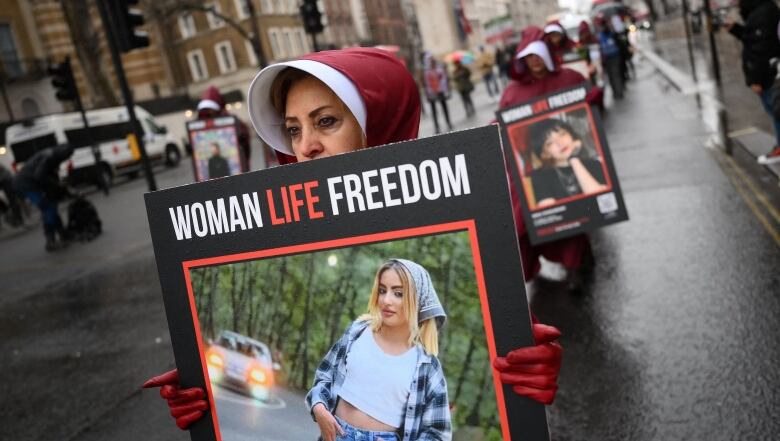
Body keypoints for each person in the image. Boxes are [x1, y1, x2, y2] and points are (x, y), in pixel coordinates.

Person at [143, 47, 562, 430]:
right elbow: (323, 384)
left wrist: (522, 367)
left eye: (325, 121)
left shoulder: (458, 219)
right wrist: (199, 379)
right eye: (292, 129)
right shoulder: (285, 251)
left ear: (374, 122)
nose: (305, 146)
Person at [308, 259, 450, 441]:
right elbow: (325, 376)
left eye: (398, 293)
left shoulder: (427, 365)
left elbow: (438, 433)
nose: (386, 300)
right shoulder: (357, 332)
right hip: (335, 435)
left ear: (417, 299)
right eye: (382, 290)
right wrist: (319, 407)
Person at [501, 27, 595, 292]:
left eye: (538, 55)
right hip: (531, 170)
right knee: (525, 223)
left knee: (571, 220)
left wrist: (591, 98)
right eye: (529, 57)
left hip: (568, 165)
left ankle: (576, 266)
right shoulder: (513, 92)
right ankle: (532, 269)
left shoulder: (569, 78)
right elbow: (503, 123)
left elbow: (587, 110)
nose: (534, 61)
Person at [725, 0, 780, 164]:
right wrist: (736, 29)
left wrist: (756, 79)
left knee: (776, 111)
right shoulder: (759, 11)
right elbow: (753, 40)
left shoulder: (763, 12)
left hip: (767, 75)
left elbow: (761, 49)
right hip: (769, 72)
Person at [528, 119, 607, 208]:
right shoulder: (540, 176)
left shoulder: (595, 164)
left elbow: (602, 200)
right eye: (549, 143)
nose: (560, 143)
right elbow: (550, 214)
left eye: (562, 134)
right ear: (545, 154)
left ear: (572, 136)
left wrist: (573, 158)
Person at [12, 144, 74, 251]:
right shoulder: (49, 157)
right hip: (26, 184)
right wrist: (56, 186)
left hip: (31, 183)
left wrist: (60, 187)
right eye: (67, 157)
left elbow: (50, 175)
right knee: (48, 208)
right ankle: (50, 241)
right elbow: (39, 175)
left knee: (52, 207)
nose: (67, 159)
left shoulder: (52, 155)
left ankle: (63, 234)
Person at [196, 86, 254, 169]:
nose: (208, 112)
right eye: (206, 110)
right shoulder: (200, 122)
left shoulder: (230, 121)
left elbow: (245, 139)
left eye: (210, 109)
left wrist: (241, 138)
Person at [595, 18, 625, 100]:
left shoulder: (612, 33)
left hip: (615, 57)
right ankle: (616, 92)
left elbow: (619, 43)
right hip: (607, 59)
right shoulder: (600, 36)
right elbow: (599, 49)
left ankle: (619, 92)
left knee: (615, 75)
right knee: (611, 76)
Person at [423, 57, 453, 134]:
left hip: (440, 91)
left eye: (433, 62)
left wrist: (446, 89)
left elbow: (444, 80)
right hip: (432, 92)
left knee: (444, 107)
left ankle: (448, 122)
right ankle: (436, 126)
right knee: (434, 110)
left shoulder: (439, 70)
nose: (432, 64)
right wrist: (427, 94)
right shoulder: (427, 72)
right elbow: (426, 84)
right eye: (431, 62)